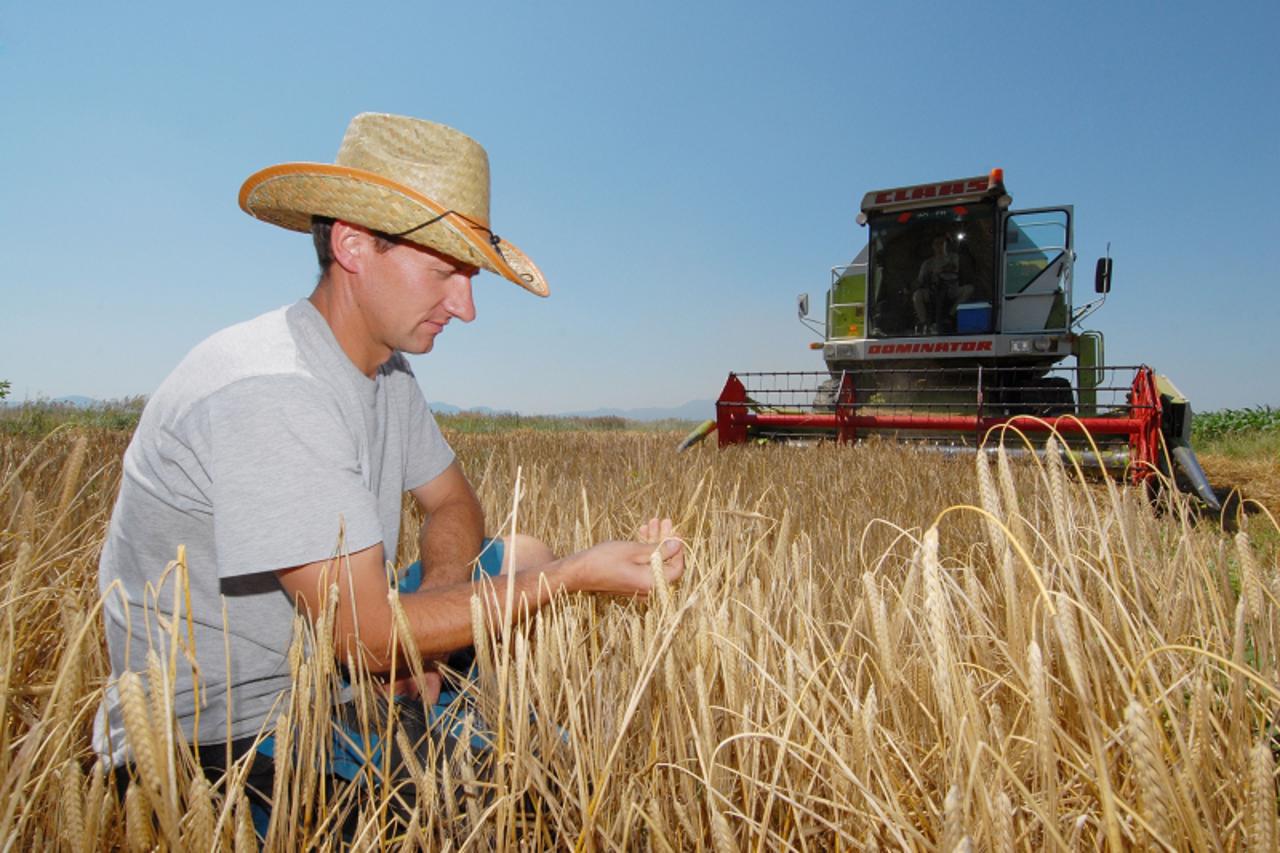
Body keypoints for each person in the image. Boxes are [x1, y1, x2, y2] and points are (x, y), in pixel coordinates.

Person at [94, 113, 685, 810]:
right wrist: (574, 576)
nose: (465, 307)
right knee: (527, 795)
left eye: (471, 277)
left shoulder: (386, 371)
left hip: (335, 659)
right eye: (446, 271)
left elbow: (454, 502)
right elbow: (366, 639)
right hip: (234, 740)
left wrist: (430, 623)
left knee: (522, 551)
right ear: (352, 244)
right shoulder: (275, 388)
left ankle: (445, 711)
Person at [911, 236, 970, 333]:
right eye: (936, 243)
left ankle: (950, 315)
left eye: (942, 243)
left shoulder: (954, 257)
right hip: (933, 290)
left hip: (951, 290)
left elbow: (952, 268)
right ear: (932, 246)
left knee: (969, 289)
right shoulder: (928, 263)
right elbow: (920, 280)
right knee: (917, 295)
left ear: (946, 244)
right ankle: (924, 323)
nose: (939, 246)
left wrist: (940, 271)